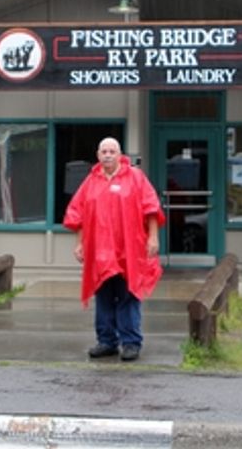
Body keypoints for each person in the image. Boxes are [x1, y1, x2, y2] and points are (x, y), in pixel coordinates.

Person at [63, 137, 165, 361]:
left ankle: (131, 342)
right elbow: (77, 214)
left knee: (129, 293)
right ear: (98, 155)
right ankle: (107, 341)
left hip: (130, 248)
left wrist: (153, 238)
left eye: (112, 151)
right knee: (104, 295)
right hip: (100, 251)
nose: (108, 155)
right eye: (104, 151)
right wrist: (79, 243)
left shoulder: (136, 178)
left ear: (120, 155)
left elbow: (151, 209)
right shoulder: (91, 181)